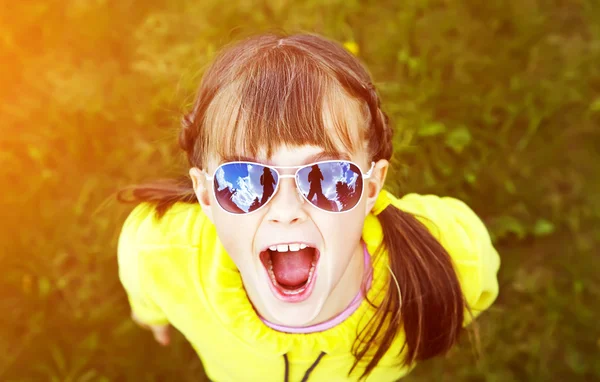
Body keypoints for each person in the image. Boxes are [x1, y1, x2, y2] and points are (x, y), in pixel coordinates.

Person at [117, 33, 500, 382]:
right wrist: (151, 316)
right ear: (205, 195)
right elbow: (145, 284)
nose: (287, 210)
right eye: (244, 180)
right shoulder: (160, 252)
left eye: (328, 176)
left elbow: (477, 282)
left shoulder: (447, 257)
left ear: (371, 187)